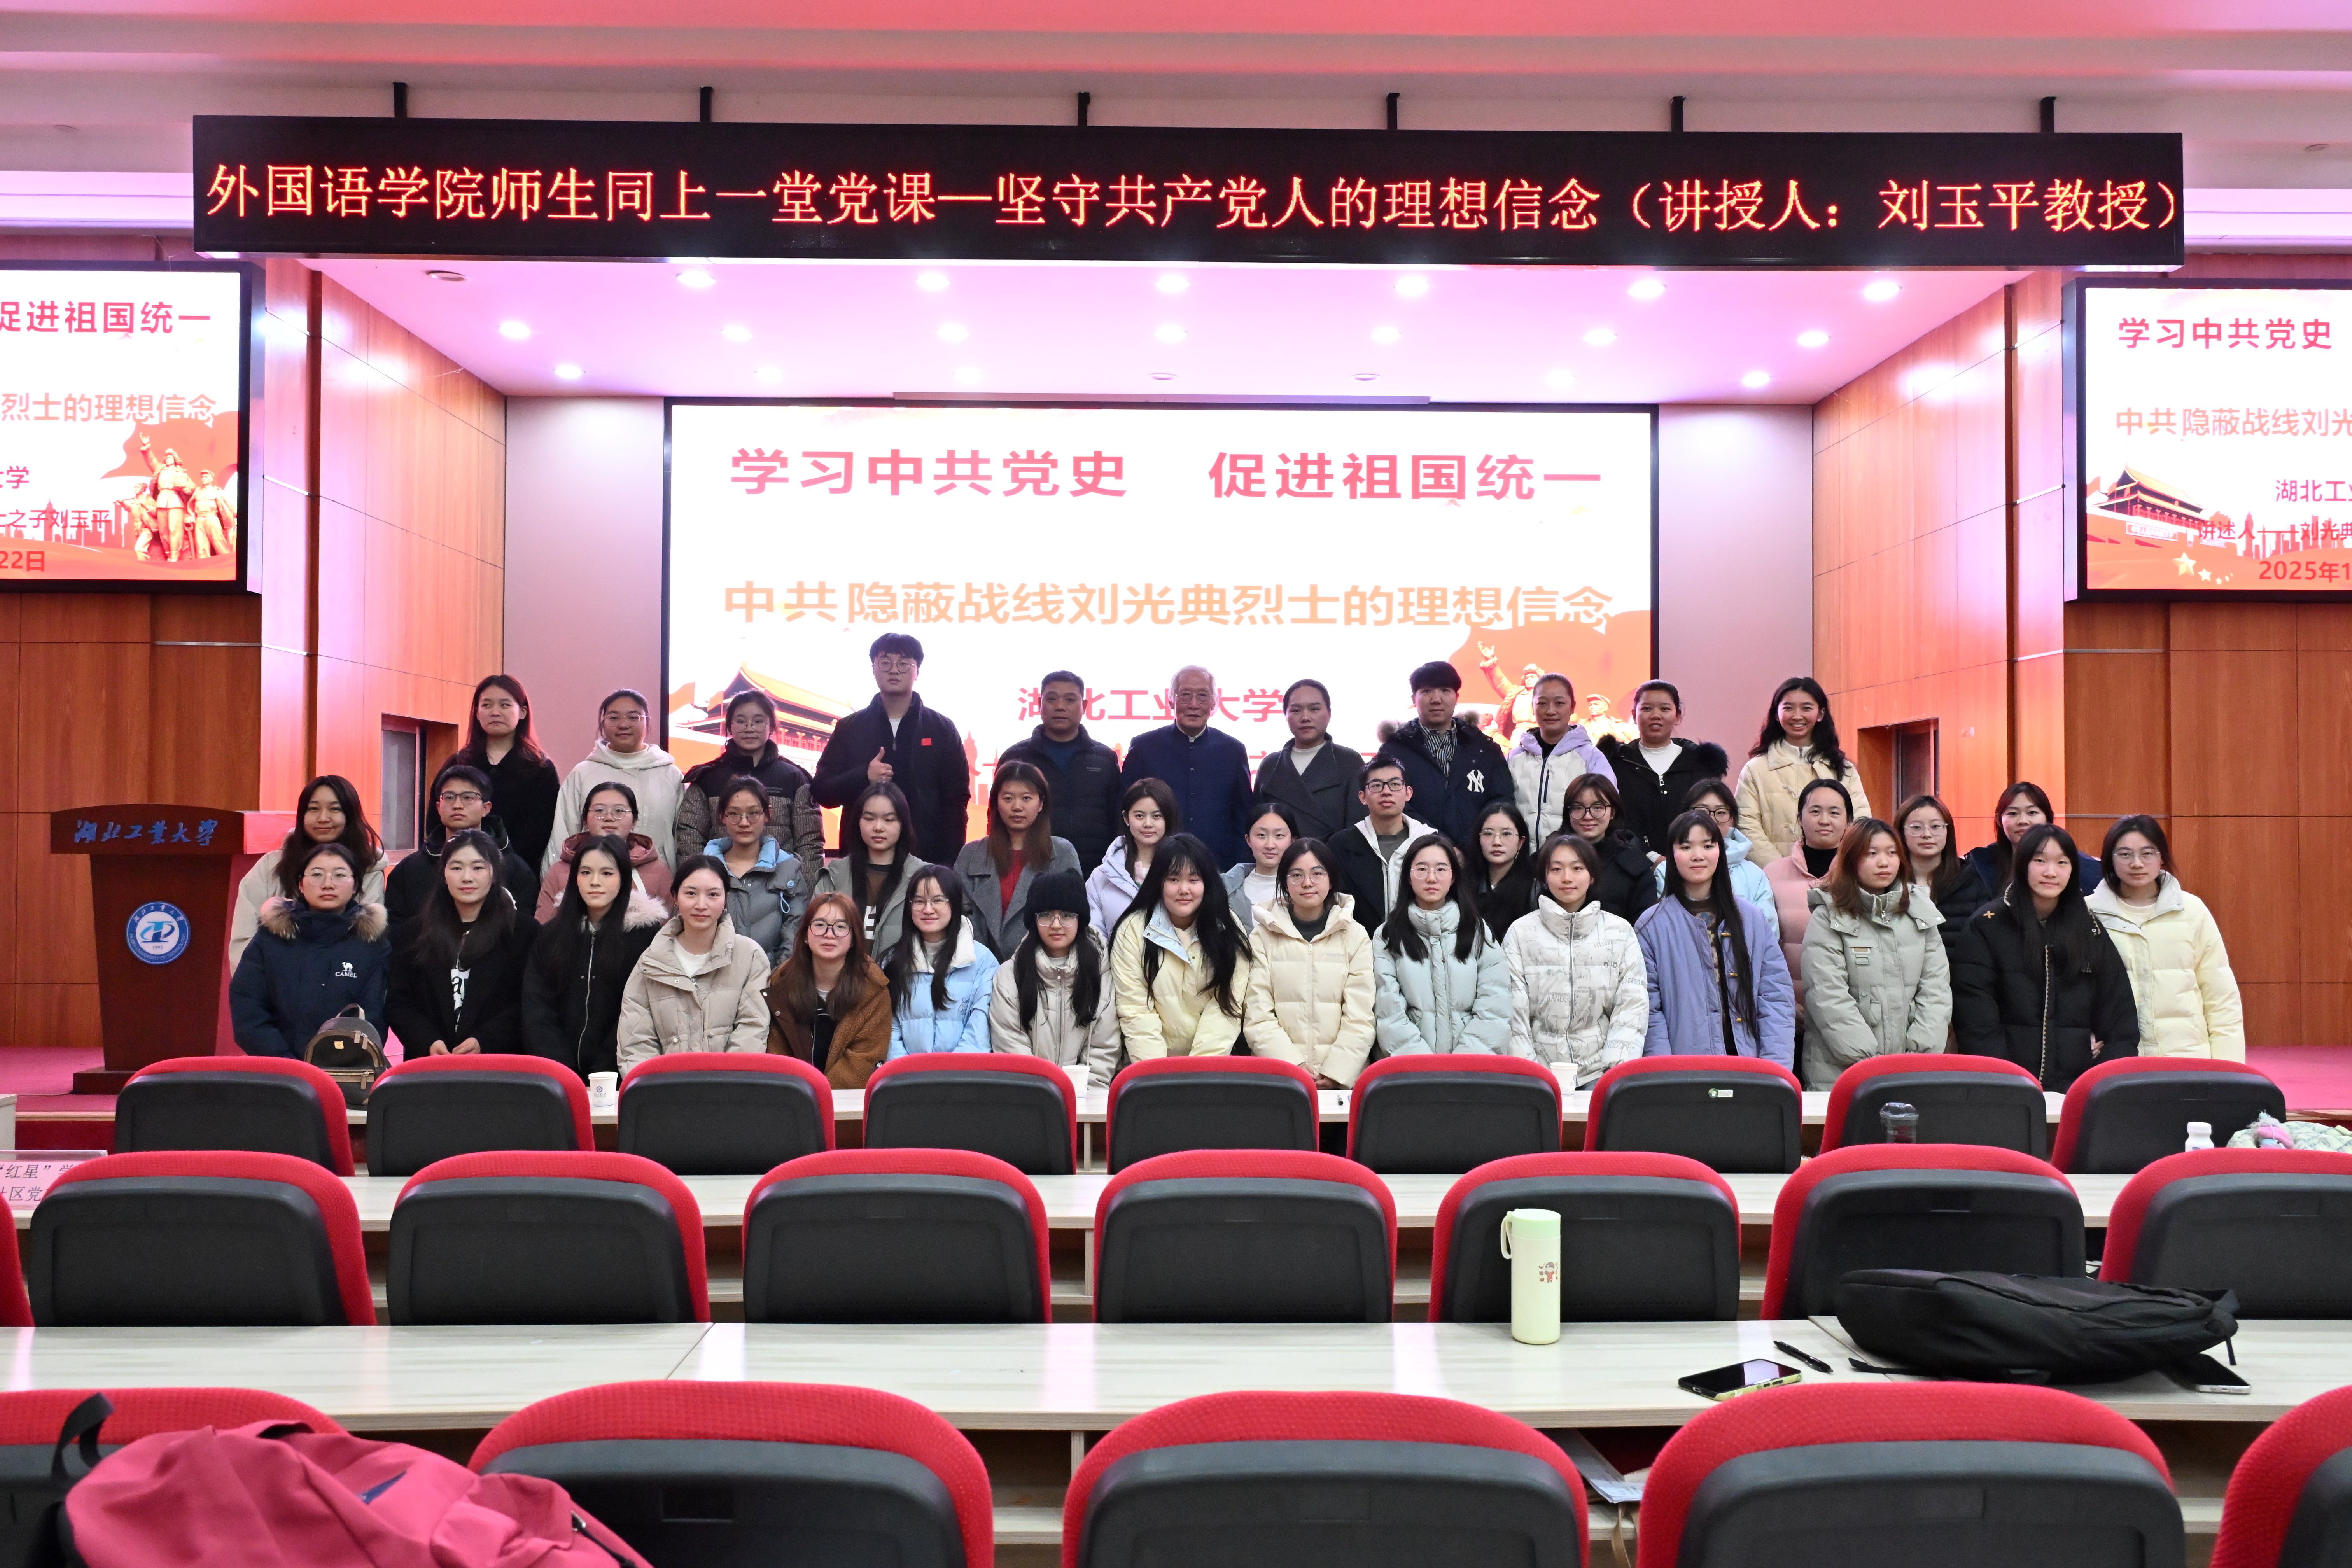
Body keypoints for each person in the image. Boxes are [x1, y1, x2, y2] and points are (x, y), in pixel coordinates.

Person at [1952, 824, 2139, 1089]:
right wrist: (2008, 1083)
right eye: (2040, 861)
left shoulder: (2089, 929)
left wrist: (2097, 1083)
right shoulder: (1987, 926)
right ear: (2022, 865)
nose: (2051, 872)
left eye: (2062, 862)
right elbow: (1976, 1024)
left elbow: (2121, 1021)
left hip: (2076, 1090)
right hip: (2008, 1088)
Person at [1799, 818, 1952, 1089]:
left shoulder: (1920, 910)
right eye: (1872, 854)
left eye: (1892, 853)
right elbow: (1827, 995)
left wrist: (1918, 1055)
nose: (1885, 862)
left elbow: (1936, 989)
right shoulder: (1828, 916)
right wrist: (1870, 1062)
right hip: (1841, 1071)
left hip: (1912, 1070)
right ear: (1851, 860)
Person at [1636, 810, 1796, 1065]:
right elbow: (1650, 1010)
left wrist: (1775, 1069)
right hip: (1684, 1070)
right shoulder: (1652, 925)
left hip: (1750, 1065)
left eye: (1708, 846)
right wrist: (1665, 1073)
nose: (1698, 855)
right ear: (1672, 855)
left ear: (1720, 851)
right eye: (1686, 847)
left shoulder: (1751, 919)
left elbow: (1775, 997)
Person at [2087, 815, 2245, 1061]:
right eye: (2125, 854)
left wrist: (2229, 1066)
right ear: (2109, 860)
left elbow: (2220, 995)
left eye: (2148, 854)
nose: (2137, 864)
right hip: (2116, 1061)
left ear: (2162, 858)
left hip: (2187, 1058)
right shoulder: (2088, 913)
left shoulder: (2191, 910)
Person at [1104, 832, 1253, 1085]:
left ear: (1207, 883)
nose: (1184, 890)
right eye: (1174, 879)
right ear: (1159, 882)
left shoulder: (1229, 928)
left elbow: (1227, 1008)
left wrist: (1199, 1074)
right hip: (1151, 1073)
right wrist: (1159, 1079)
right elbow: (1136, 1013)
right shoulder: (1132, 930)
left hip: (1213, 1071)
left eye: (1194, 880)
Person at [813, 634, 972, 865]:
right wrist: (864, 776)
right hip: (861, 861)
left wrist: (948, 865)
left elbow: (956, 802)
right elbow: (822, 792)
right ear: (874, 669)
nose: (894, 670)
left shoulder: (941, 729)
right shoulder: (849, 728)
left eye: (904, 663)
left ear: (918, 671)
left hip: (926, 861)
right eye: (885, 662)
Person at [520, 834, 667, 1080]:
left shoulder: (647, 938)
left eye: (607, 873)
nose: (595, 882)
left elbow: (639, 1014)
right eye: (586, 873)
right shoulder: (551, 936)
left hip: (620, 1073)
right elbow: (537, 1009)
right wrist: (564, 1071)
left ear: (624, 878)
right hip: (557, 1077)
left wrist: (604, 1072)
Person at [1504, 834, 1649, 1083]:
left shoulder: (1619, 931)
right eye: (1556, 869)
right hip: (1539, 1073)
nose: (1567, 878)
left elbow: (1632, 1004)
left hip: (1600, 1071)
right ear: (1544, 877)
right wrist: (1528, 1073)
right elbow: (1513, 1009)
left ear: (1592, 876)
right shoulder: (1521, 932)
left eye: (1577, 868)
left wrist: (1616, 1069)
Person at [228, 841, 391, 1058]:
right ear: (301, 885)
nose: (328, 884)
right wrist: (286, 1062)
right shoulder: (271, 938)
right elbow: (248, 1008)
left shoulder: (372, 944)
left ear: (355, 886)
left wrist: (333, 1063)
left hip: (345, 1070)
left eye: (340, 875)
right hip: (279, 1069)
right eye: (317, 875)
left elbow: (374, 1017)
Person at [385, 828, 537, 1058]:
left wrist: (485, 1040)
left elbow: (529, 1002)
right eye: (456, 868)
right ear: (443, 874)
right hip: (430, 1063)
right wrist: (428, 1041)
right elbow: (399, 1002)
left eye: (478, 868)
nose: (467, 878)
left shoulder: (524, 933)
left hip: (499, 1063)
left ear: (495, 873)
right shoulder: (414, 934)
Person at [614, 854, 772, 1070]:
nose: (701, 905)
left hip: (730, 1086)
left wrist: (725, 1083)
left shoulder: (750, 957)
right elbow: (636, 1041)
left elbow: (752, 1031)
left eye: (713, 895)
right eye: (691, 894)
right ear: (675, 897)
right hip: (664, 1088)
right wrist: (659, 1085)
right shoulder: (651, 961)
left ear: (726, 899)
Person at [1243, 838, 1378, 1087]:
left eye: (1318, 873)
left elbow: (1361, 1015)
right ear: (1284, 881)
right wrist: (1292, 1067)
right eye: (1297, 875)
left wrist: (1336, 1072)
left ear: (1331, 879)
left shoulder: (1355, 935)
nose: (1307, 883)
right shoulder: (1262, 937)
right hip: (1279, 1079)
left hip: (1342, 1081)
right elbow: (1257, 1013)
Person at [1374, 834, 1511, 1057]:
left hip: (1471, 1066)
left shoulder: (1476, 930)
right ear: (1408, 876)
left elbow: (1495, 1005)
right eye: (1421, 869)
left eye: (1441, 869)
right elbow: (1389, 1012)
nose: (1431, 878)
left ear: (1453, 876)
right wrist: (1426, 1068)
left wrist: (1462, 1065)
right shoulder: (1388, 935)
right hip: (1413, 1069)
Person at [229, 774, 387, 969]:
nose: (323, 818)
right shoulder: (271, 866)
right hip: (274, 982)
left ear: (350, 816)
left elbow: (367, 947)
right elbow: (243, 939)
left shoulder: (369, 869)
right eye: (313, 809)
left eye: (335, 809)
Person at [1120, 665, 1255, 866]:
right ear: (1171, 701)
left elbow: (1243, 817)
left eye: (1203, 696)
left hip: (1218, 866)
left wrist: (1241, 868)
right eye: (1185, 695)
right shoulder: (1144, 747)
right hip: (1155, 863)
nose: (1194, 704)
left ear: (1214, 703)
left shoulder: (1233, 750)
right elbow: (1125, 809)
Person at [674, 689, 825, 869]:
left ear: (771, 727)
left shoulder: (795, 778)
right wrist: (702, 880)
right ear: (729, 726)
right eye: (741, 721)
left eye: (759, 721)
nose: (749, 728)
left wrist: (799, 885)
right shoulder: (707, 779)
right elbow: (689, 838)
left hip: (782, 883)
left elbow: (810, 843)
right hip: (720, 882)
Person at [989, 869, 1120, 1073]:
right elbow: (1011, 1045)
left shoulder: (1100, 971)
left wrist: (1083, 1091)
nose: (1056, 925)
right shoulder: (1010, 975)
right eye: (1046, 915)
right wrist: (1044, 1090)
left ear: (1080, 920)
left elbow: (1103, 1049)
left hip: (1085, 1091)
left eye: (1067, 916)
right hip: (1030, 1090)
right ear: (1034, 920)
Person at [387, 762, 540, 932]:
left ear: (486, 808)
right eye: (449, 797)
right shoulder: (409, 869)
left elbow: (523, 932)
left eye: (468, 797)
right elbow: (396, 932)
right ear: (439, 808)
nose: (457, 805)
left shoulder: (515, 869)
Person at [547, 689, 686, 874]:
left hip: (657, 880)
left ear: (647, 722)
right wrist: (560, 882)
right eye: (614, 718)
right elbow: (563, 834)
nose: (623, 725)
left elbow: (683, 837)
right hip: (594, 880)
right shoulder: (583, 773)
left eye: (633, 717)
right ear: (603, 723)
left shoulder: (671, 775)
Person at [954, 760, 1082, 961]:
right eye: (1008, 798)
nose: (1017, 807)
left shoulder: (1063, 853)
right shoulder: (971, 855)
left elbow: (1074, 918)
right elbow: (957, 917)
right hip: (979, 966)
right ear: (996, 803)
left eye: (1027, 798)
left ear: (1041, 804)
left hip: (1042, 967)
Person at [1733, 677, 1870, 864]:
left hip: (1835, 873)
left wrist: (1837, 868)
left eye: (1806, 708)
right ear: (1776, 714)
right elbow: (1747, 826)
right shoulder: (1755, 770)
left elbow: (1860, 821)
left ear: (1821, 714)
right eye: (1788, 708)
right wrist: (1781, 870)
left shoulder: (1843, 769)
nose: (1797, 716)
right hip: (1772, 876)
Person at [998, 670, 1122, 875]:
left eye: (1070, 700)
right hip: (1033, 870)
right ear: (1039, 703)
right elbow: (998, 819)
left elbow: (1118, 818)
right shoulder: (1017, 758)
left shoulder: (1105, 759)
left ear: (1084, 706)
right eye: (1052, 699)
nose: (1060, 707)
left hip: (1097, 872)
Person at [766, 891, 893, 1088]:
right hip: (792, 1098)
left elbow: (865, 1061)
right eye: (820, 925)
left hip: (848, 1102)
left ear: (854, 939)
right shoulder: (781, 984)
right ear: (806, 935)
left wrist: (821, 1096)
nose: (829, 934)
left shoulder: (874, 989)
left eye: (841, 927)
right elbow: (777, 1055)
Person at [1382, 661, 1515, 849]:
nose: (1436, 699)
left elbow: (1501, 802)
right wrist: (1438, 846)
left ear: (1457, 697)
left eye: (1445, 690)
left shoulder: (1485, 748)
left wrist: (1467, 848)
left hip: (1475, 856)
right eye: (1427, 691)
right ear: (1414, 699)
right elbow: (1391, 805)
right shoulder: (1394, 751)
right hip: (1414, 854)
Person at [1598, 681, 1731, 856]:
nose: (1656, 715)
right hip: (1630, 863)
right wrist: (1652, 859)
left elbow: (1714, 821)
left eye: (1665, 709)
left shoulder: (1702, 764)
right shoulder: (1615, 763)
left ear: (1678, 716)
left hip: (1693, 861)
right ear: (1634, 716)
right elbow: (1612, 823)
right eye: (1647, 709)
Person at [1764, 777, 1853, 1038]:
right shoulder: (1771, 875)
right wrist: (1785, 1003)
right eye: (1815, 812)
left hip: (1848, 1017)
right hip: (1784, 1014)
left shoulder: (1860, 875)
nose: (1824, 820)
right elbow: (1762, 949)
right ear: (1800, 819)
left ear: (1849, 822)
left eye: (1834, 813)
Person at [449, 674, 561, 872]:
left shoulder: (541, 769)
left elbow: (543, 831)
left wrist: (504, 863)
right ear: (477, 713)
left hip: (519, 871)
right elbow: (439, 818)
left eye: (505, 705)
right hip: (462, 869)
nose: (495, 713)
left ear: (523, 712)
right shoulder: (459, 763)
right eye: (487, 705)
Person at [886, 864, 998, 1055]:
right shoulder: (892, 961)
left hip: (964, 1072)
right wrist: (905, 1070)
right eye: (919, 901)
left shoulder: (983, 961)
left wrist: (951, 1071)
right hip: (904, 1073)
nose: (928, 910)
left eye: (938, 901)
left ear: (954, 904)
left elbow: (979, 1031)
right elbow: (888, 1029)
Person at [700, 778, 810, 968]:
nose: (744, 823)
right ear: (722, 817)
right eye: (734, 814)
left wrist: (775, 980)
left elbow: (794, 938)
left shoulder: (788, 871)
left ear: (767, 814)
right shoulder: (702, 871)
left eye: (753, 813)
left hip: (771, 980)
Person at [1651, 778, 1781, 936]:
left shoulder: (1755, 875)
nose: (1710, 820)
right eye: (1702, 812)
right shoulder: (1666, 870)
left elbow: (1768, 935)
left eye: (1721, 813)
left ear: (1732, 819)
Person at [536, 780, 674, 922]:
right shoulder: (560, 871)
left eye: (619, 811)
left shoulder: (658, 871)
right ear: (585, 820)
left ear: (634, 821)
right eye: (599, 811)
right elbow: (544, 927)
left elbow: (668, 929)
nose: (609, 818)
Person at [1253, 679, 1365, 845]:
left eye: (1314, 709)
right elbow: (1257, 827)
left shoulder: (1349, 762)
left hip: (1331, 858)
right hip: (1278, 859)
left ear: (1329, 714)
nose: (1305, 717)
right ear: (1286, 716)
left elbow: (1358, 828)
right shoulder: (1270, 766)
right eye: (1296, 711)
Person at [1504, 671, 1615, 839]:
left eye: (1559, 703)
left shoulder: (1591, 757)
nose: (1551, 711)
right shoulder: (1514, 758)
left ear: (1573, 707)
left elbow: (1606, 812)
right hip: (1522, 855)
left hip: (1573, 854)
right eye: (1542, 703)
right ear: (1533, 708)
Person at [1330, 755, 1433, 931]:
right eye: (1376, 786)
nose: (1386, 792)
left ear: (1408, 793)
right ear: (1363, 797)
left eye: (1395, 784)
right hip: (1359, 942)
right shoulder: (1341, 846)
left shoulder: (1430, 843)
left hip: (1420, 941)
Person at [814, 781, 917, 958]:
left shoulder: (922, 878)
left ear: (903, 824)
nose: (878, 827)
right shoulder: (833, 876)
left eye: (889, 820)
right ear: (858, 822)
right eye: (869, 819)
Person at [1963, 782, 2102, 898]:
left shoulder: (2087, 869)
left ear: (2049, 818)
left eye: (2032, 813)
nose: (2023, 821)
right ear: (1999, 821)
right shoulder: (1980, 865)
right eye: (2013, 814)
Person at [1895, 794, 1993, 948]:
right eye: (1916, 828)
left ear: (1948, 831)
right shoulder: (1890, 883)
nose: (1927, 835)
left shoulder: (1972, 880)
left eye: (1935, 827)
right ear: (1901, 834)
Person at [1087, 779, 1178, 939]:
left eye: (1157, 816)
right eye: (1139, 816)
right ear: (1126, 818)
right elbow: (1094, 936)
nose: (1148, 824)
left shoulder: (1187, 871)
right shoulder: (1102, 876)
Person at [1563, 773, 1658, 925]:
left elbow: (1644, 928)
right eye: (1578, 808)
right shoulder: (1549, 859)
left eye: (1598, 808)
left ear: (1612, 812)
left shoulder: (1635, 867)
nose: (1588, 816)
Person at [1223, 801, 1296, 933]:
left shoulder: (1306, 888)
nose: (1270, 845)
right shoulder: (1224, 890)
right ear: (1248, 840)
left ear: (1293, 841)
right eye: (1262, 835)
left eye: (1279, 836)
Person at [1471, 801, 1538, 942]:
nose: (1497, 842)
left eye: (1506, 834)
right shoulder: (1465, 886)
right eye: (1488, 834)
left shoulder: (1534, 891)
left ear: (1521, 842)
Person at [1475, 646, 1545, 738]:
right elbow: (1501, 682)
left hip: (1542, 731)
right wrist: (1490, 659)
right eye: (1527, 678)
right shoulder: (1517, 694)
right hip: (1520, 731)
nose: (1529, 680)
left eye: (1532, 677)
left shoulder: (1548, 696)